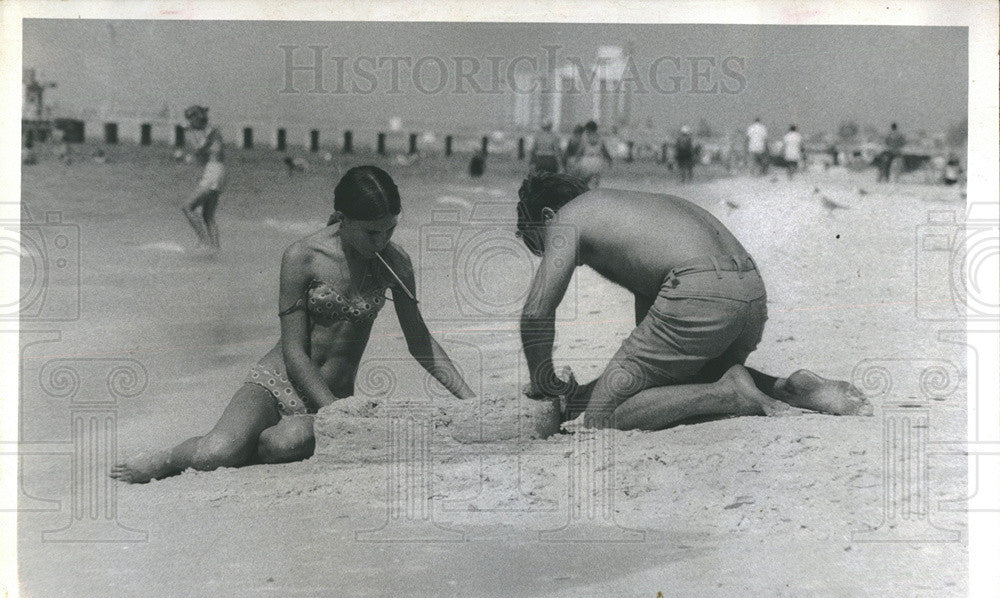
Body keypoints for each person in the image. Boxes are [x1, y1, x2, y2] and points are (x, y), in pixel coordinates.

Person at [112, 166, 475, 483]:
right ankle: (169, 458)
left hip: (329, 399)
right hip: (277, 382)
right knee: (216, 455)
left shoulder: (395, 264)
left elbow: (420, 341)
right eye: (370, 233)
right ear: (342, 217)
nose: (380, 241)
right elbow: (294, 351)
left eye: (389, 230)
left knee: (285, 443)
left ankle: (246, 443)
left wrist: (470, 401)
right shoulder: (303, 257)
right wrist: (336, 413)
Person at [515, 173, 871, 430]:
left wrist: (542, 381)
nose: (542, 254)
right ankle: (788, 388)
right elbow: (654, 328)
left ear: (547, 217)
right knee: (682, 380)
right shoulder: (627, 208)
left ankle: (731, 394)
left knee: (602, 416)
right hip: (749, 295)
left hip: (700, 295)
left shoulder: (569, 218)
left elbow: (536, 313)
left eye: (536, 243)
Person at [180, 105, 226, 254]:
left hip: (214, 172)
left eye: (190, 119)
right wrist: (192, 132)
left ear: (196, 117)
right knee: (208, 215)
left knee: (187, 207)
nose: (189, 122)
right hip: (217, 172)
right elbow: (201, 154)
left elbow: (202, 148)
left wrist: (192, 131)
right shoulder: (209, 131)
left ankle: (204, 242)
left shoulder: (212, 129)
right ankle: (215, 248)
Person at [571, 120, 612, 188]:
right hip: (597, 161)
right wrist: (609, 160)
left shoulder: (584, 138)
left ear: (588, 129)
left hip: (586, 161)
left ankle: (585, 194)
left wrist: (576, 160)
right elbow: (605, 151)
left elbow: (580, 151)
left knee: (583, 182)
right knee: (595, 182)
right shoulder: (600, 138)